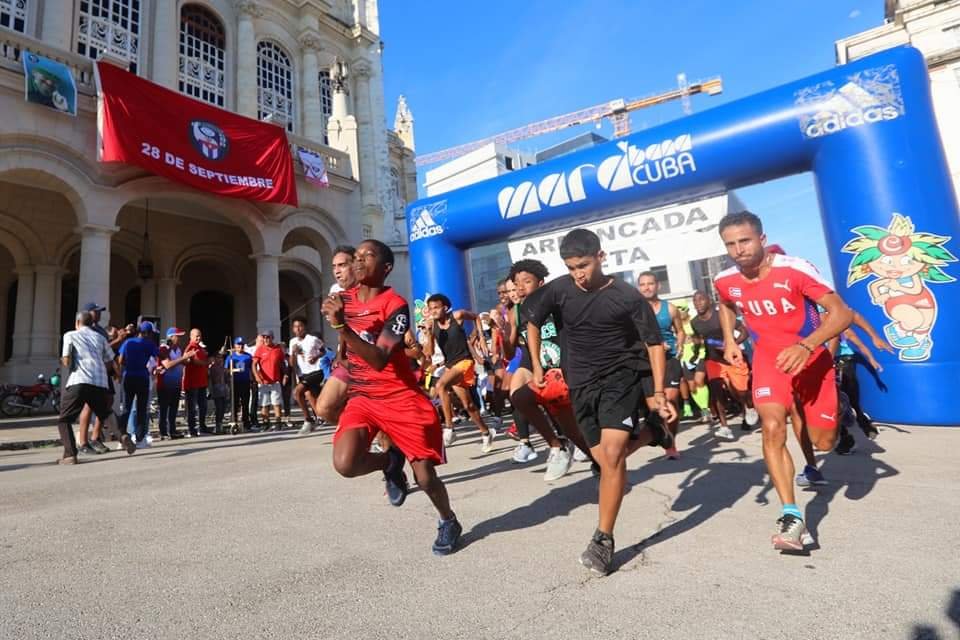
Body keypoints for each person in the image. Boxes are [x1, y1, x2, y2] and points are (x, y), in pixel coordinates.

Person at [523, 229, 675, 575]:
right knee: (603, 458)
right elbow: (531, 320)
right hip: (581, 383)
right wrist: (536, 366)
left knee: (611, 455)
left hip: (622, 379)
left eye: (584, 265)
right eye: (572, 266)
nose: (579, 273)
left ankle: (603, 539)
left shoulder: (626, 296)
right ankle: (652, 434)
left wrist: (659, 392)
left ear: (601, 257)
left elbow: (654, 343)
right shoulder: (560, 289)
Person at [714, 211, 852, 552]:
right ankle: (791, 515)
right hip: (769, 362)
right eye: (730, 244)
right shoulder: (724, 279)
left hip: (811, 360)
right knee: (772, 426)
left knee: (823, 442)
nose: (738, 250)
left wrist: (807, 346)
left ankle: (840, 412)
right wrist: (731, 341)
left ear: (761, 239)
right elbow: (726, 303)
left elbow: (842, 313)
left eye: (744, 241)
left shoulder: (795, 269)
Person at [322, 239, 462, 555]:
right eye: (355, 257)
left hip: (400, 396)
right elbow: (349, 344)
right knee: (345, 464)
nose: (357, 261)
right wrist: (342, 346)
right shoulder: (342, 299)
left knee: (425, 477)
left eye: (366, 256)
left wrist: (342, 327)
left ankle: (448, 520)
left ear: (386, 268)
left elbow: (379, 359)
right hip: (363, 395)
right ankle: (389, 460)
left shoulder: (395, 306)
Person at [504, 259, 593, 481]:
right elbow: (511, 350)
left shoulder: (555, 303)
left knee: (576, 429)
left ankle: (598, 460)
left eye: (527, 281)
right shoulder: (516, 312)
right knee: (518, 396)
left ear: (541, 283)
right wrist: (505, 333)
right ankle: (556, 445)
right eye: (517, 283)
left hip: (564, 366)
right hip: (536, 365)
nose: (520, 287)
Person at [57, 311, 135, 463]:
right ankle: (122, 435)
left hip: (79, 380)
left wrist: (66, 361)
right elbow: (110, 359)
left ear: (77, 323)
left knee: (64, 419)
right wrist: (116, 374)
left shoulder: (70, 335)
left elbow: (66, 360)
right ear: (91, 324)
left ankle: (70, 455)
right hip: (100, 381)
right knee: (105, 412)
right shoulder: (100, 338)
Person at [423, 294, 496, 452]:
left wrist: (481, 338)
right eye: (430, 309)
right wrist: (429, 334)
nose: (433, 311)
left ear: (445, 307)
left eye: (436, 308)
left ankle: (449, 428)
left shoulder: (458, 316)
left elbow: (476, 317)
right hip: (451, 366)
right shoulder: (433, 326)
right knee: (468, 405)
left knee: (441, 385)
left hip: (465, 362)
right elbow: (428, 353)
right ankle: (486, 432)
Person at [637, 271, 686, 459]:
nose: (646, 287)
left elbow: (680, 331)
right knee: (656, 409)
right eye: (642, 284)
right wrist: (651, 347)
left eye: (650, 283)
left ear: (658, 286)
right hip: (647, 363)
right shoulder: (635, 312)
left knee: (671, 399)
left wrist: (679, 344)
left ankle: (671, 443)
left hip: (670, 359)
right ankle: (664, 437)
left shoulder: (670, 308)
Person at [690, 290, 752, 439]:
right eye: (695, 301)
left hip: (731, 358)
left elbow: (744, 331)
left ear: (709, 301)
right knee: (717, 391)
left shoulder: (721, 316)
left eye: (701, 299)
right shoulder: (695, 322)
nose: (698, 303)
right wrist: (695, 353)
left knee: (739, 392)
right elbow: (700, 339)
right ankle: (725, 427)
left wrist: (733, 345)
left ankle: (748, 409)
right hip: (713, 360)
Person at [315, 245, 357, 425]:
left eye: (342, 265)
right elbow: (341, 328)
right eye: (334, 267)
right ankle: (361, 432)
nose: (337, 272)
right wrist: (341, 355)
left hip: (373, 363)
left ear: (355, 265)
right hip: (349, 361)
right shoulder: (337, 292)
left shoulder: (370, 291)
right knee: (323, 408)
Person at [75, 303, 125, 453]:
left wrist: (116, 369)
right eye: (96, 311)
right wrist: (117, 340)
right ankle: (83, 441)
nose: (99, 314)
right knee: (89, 406)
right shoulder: (86, 330)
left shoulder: (100, 330)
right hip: (92, 372)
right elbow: (99, 349)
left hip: (104, 372)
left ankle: (96, 437)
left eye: (100, 311)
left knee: (107, 402)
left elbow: (108, 351)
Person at [117, 321, 160, 448]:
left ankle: (122, 438)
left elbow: (120, 360)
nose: (152, 336)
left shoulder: (128, 342)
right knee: (141, 409)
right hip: (142, 377)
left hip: (128, 376)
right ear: (147, 333)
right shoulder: (149, 343)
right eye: (151, 333)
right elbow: (159, 355)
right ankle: (140, 439)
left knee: (126, 408)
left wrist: (127, 367)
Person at [156, 327, 194, 440]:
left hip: (176, 383)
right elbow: (167, 365)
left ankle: (172, 431)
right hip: (164, 384)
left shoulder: (178, 349)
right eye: (178, 336)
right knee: (164, 409)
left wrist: (187, 360)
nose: (180, 339)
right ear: (171, 337)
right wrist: (183, 358)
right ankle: (163, 432)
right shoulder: (163, 349)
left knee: (173, 408)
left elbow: (181, 363)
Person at [289, 317, 325, 434]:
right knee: (309, 395)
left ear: (305, 328)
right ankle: (320, 418)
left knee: (297, 392)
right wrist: (294, 353)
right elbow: (291, 364)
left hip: (316, 371)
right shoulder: (292, 342)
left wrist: (315, 357)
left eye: (300, 326)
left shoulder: (312, 339)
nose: (298, 329)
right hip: (303, 373)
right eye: (295, 327)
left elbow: (323, 350)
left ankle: (308, 421)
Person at [253, 330, 286, 431]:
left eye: (268, 337)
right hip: (263, 381)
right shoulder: (260, 349)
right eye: (264, 337)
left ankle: (278, 422)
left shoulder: (278, 349)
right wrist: (256, 376)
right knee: (264, 403)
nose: (266, 339)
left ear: (272, 338)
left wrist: (285, 375)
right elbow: (254, 364)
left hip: (275, 380)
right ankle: (265, 423)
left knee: (276, 402)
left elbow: (283, 363)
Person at [182, 328, 210, 437]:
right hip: (192, 382)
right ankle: (192, 428)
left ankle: (202, 426)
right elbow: (193, 360)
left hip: (202, 382)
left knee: (203, 406)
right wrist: (206, 362)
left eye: (199, 336)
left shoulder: (200, 347)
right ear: (191, 337)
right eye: (196, 336)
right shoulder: (190, 347)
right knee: (192, 408)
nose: (198, 338)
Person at [225, 337, 253, 430]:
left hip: (245, 382)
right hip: (234, 383)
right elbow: (226, 369)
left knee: (245, 403)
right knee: (234, 403)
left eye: (241, 345)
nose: (240, 346)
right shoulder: (230, 357)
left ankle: (246, 421)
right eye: (238, 344)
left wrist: (253, 380)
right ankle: (234, 421)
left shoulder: (248, 356)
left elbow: (251, 369)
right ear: (235, 346)